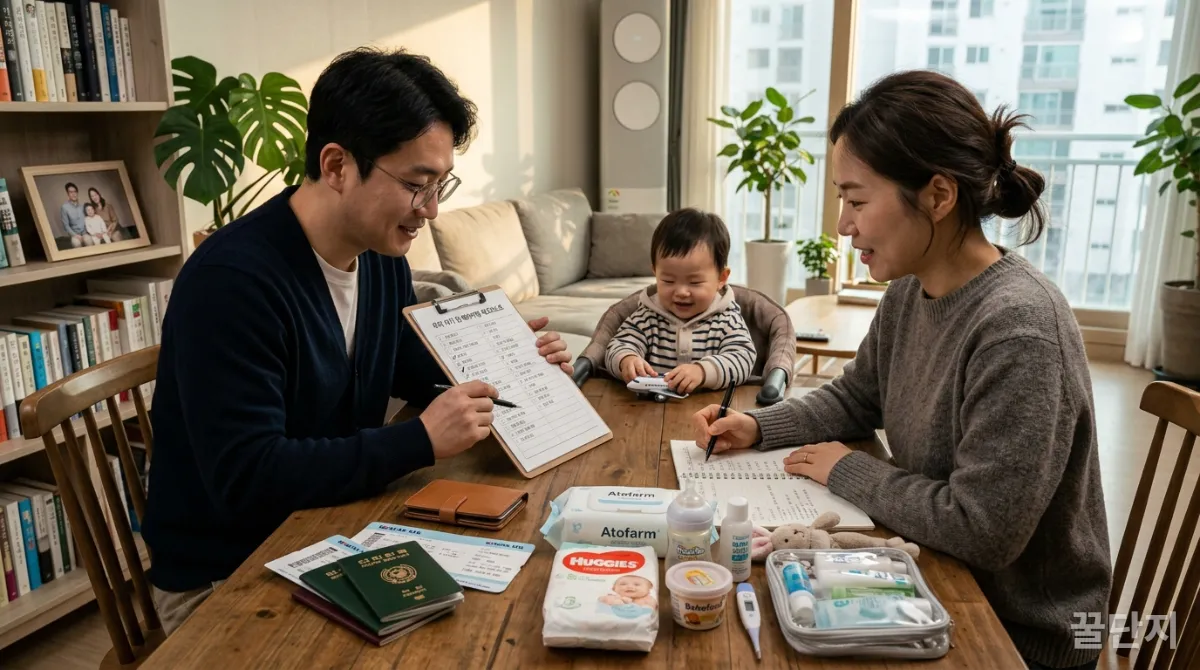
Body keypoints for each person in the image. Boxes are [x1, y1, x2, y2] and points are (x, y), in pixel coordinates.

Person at [142, 47, 575, 635]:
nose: (432, 209)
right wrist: (419, 439)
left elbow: (399, 361)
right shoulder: (232, 282)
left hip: (327, 528)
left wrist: (503, 359)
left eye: (441, 184)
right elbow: (250, 478)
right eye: (417, 185)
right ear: (338, 166)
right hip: (226, 574)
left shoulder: (377, 255)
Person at [692, 70, 1110, 670]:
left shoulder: (1020, 329)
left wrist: (849, 471)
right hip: (926, 579)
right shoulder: (911, 292)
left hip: (1012, 633)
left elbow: (981, 529)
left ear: (939, 195)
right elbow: (858, 399)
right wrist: (761, 427)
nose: (842, 224)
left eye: (857, 200)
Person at [604, 208, 756, 395]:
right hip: (647, 412)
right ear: (655, 273)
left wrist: (702, 371)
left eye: (695, 282)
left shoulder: (727, 319)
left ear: (721, 278)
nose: (682, 292)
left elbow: (743, 359)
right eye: (668, 281)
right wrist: (626, 359)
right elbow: (616, 346)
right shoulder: (647, 316)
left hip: (710, 411)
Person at [59, 182, 89, 248]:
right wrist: (75, 235)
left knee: (89, 241)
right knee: (76, 244)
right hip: (74, 234)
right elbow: (66, 225)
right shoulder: (64, 207)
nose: (73, 194)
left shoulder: (82, 206)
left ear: (77, 193)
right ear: (68, 194)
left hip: (85, 233)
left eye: (75, 191)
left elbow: (88, 220)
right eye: (71, 192)